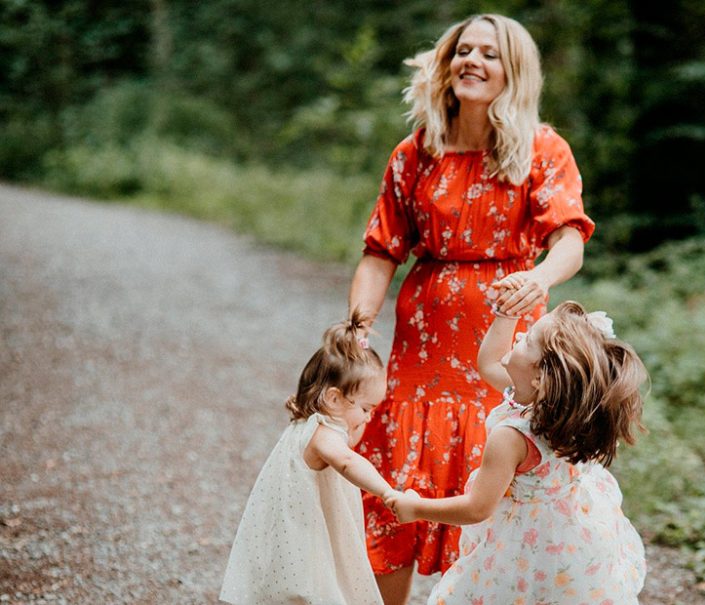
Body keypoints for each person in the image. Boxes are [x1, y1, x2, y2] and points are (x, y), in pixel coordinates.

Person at [347, 13, 596, 604]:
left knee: (504, 495)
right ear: (446, 62)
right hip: (421, 352)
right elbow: (380, 251)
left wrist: (538, 277)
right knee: (394, 492)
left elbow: (570, 238)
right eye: (463, 50)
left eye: (490, 53)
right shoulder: (415, 154)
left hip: (507, 351)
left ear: (514, 71)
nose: (472, 61)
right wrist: (357, 326)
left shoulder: (542, 148)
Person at [387, 299, 648, 604]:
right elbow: (489, 364)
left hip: (523, 542)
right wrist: (504, 315)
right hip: (565, 534)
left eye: (530, 340)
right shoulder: (562, 409)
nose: (521, 334)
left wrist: (415, 508)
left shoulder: (511, 437)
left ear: (540, 377)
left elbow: (477, 508)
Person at [220, 312, 400, 605]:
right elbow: (348, 462)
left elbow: (348, 447)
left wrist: (356, 421)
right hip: (304, 539)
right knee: (316, 592)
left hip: (303, 528)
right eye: (367, 409)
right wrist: (387, 492)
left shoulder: (313, 424)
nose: (369, 418)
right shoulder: (324, 436)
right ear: (333, 399)